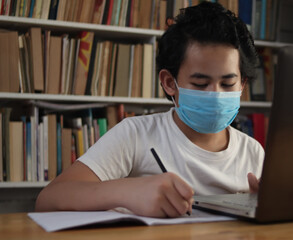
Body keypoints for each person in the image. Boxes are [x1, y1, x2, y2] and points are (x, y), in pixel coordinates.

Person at [35, 2, 264, 218]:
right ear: (169, 82)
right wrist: (128, 191)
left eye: (227, 83)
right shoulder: (136, 135)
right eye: (200, 84)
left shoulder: (253, 152)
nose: (215, 95)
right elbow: (49, 199)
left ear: (242, 83)